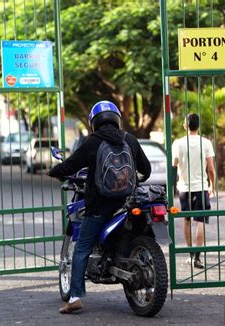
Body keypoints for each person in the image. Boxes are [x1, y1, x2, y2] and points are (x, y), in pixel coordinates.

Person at [46, 101, 151, 314]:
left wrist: (54, 172)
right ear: (116, 118)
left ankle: (74, 297)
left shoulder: (92, 142)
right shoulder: (129, 139)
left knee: (82, 247)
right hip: (128, 202)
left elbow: (71, 165)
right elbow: (146, 169)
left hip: (100, 205)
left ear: (94, 121)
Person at [172, 113, 215, 269]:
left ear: (185, 125)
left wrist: (172, 187)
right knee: (201, 221)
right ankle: (197, 257)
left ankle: (191, 254)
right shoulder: (206, 143)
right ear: (199, 126)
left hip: (184, 188)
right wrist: (213, 185)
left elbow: (174, 166)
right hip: (201, 187)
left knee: (187, 220)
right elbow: (210, 168)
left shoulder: (178, 143)